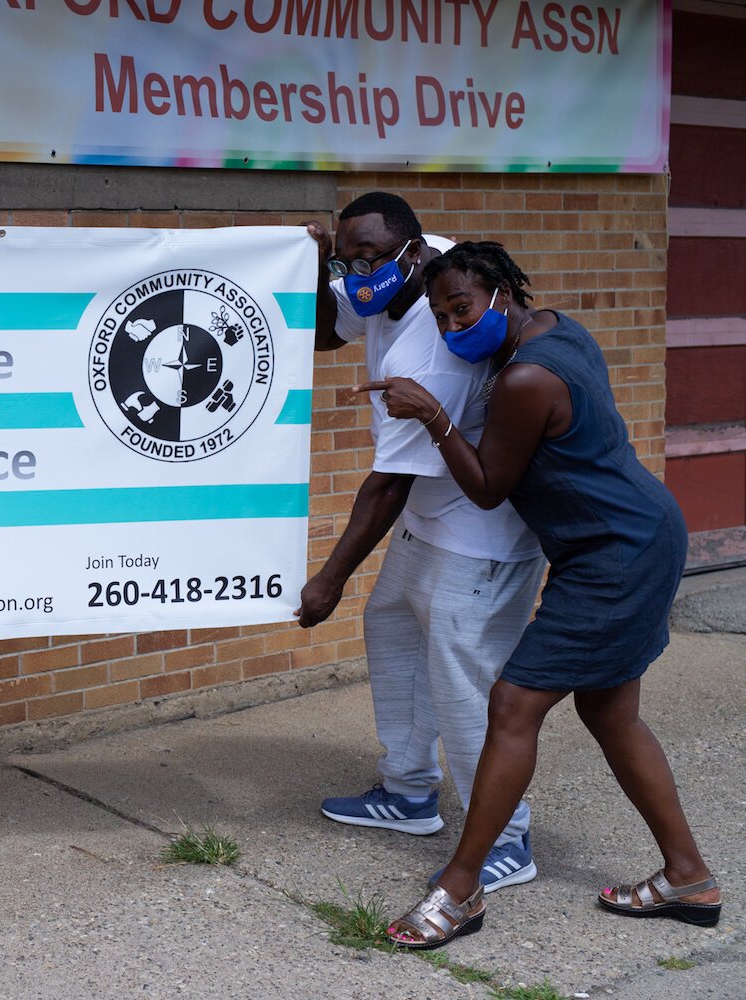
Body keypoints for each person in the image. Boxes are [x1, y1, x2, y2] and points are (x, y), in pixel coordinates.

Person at [363, 241, 721, 949]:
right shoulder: (557, 327)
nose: (452, 326)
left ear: (502, 292)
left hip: (614, 556)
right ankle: (688, 876)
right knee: (611, 713)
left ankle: (460, 888)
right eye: (440, 316)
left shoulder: (527, 378)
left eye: (462, 308)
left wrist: (433, 414)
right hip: (636, 533)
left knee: (512, 704)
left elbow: (488, 487)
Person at [299, 193, 546, 893]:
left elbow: (387, 487)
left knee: (464, 683)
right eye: (350, 260)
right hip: (432, 517)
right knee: (394, 631)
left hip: (481, 536)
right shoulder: (406, 263)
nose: (360, 274)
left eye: (370, 260)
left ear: (409, 252)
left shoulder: (430, 353)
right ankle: (408, 793)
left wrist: (329, 579)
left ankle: (507, 839)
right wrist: (321, 268)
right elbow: (328, 332)